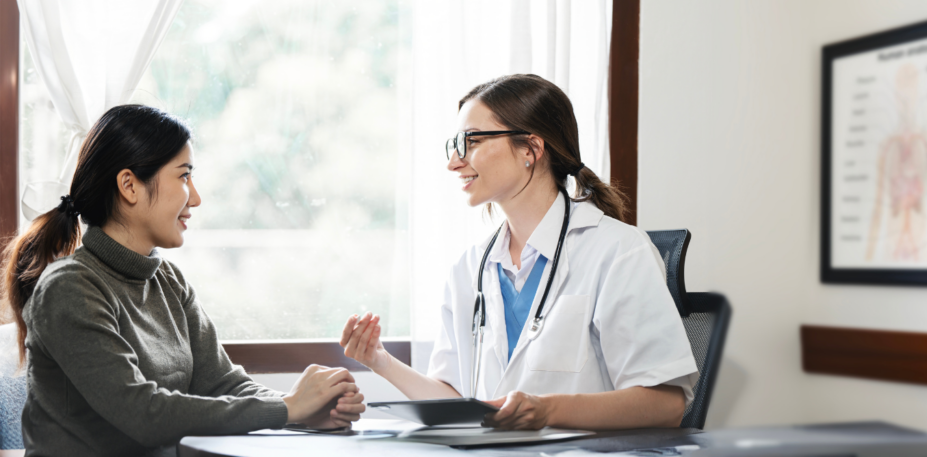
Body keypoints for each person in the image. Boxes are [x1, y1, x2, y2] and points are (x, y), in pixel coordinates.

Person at [0, 105, 365, 457]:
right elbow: (143, 413)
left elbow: (222, 383)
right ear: (129, 185)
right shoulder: (69, 289)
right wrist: (289, 408)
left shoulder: (168, 280)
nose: (196, 197)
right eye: (184, 175)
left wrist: (312, 408)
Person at [340, 74, 699, 430]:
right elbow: (458, 401)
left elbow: (665, 403)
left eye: (473, 141)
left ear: (531, 149)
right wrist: (380, 361)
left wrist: (548, 411)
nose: (454, 162)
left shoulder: (617, 250)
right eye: (455, 144)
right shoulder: (470, 268)